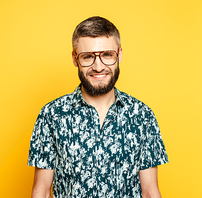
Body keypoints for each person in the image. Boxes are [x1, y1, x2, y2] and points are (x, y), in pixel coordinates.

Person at [27, 16, 168, 198]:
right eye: (88, 57)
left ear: (120, 55)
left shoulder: (142, 115)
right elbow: (42, 191)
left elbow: (150, 191)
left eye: (107, 55)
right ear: (75, 59)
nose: (98, 67)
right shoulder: (52, 115)